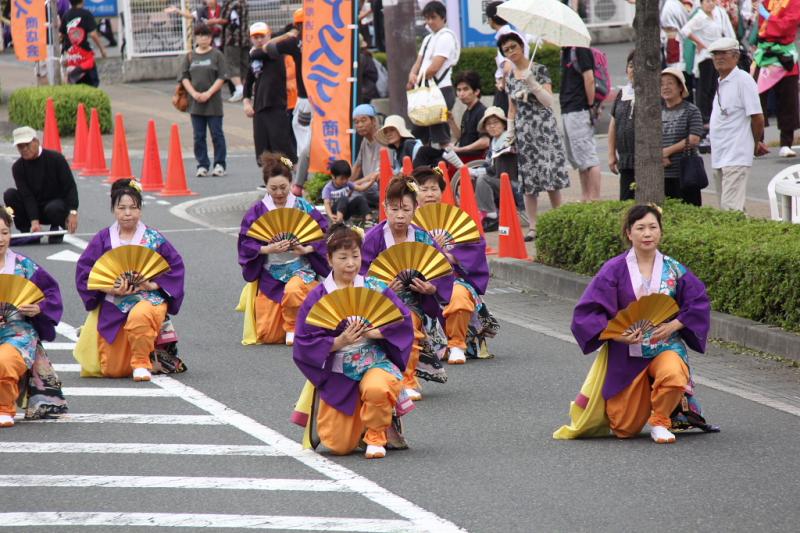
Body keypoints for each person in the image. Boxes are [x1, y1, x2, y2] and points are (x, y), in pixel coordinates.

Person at [562, 204, 714, 444]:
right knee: (624, 428)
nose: (647, 233)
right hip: (627, 353)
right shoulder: (613, 270)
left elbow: (698, 302)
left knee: (674, 374)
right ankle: (653, 397)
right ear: (628, 233)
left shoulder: (674, 269)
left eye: (653, 227)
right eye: (640, 228)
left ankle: (661, 419)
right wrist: (617, 334)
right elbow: (587, 312)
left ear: (660, 232)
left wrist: (676, 325)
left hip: (665, 345)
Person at [293, 224, 414, 458]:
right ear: (329, 259)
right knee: (339, 445)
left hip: (374, 360)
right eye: (343, 257)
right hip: (339, 369)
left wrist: (376, 332)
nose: (351, 263)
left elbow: (402, 321)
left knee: (377, 388)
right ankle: (365, 418)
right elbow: (304, 342)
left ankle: (377, 434)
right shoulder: (317, 297)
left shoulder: (376, 288)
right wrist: (339, 341)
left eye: (355, 256)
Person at [75, 180, 185, 382]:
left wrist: (152, 284)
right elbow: (85, 272)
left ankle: (141, 362)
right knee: (113, 370)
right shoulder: (103, 239)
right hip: (114, 302)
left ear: (140, 211)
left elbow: (175, 267)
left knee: (140, 315)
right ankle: (149, 354)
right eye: (122, 208)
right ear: (114, 211)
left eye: (133, 208)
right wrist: (110, 288)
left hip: (148, 298)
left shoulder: (153, 238)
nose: (127, 213)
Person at [360, 176, 455, 401]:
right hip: (379, 302)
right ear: (384, 208)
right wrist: (380, 286)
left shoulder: (423, 238)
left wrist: (431, 288)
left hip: (414, 301)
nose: (400, 215)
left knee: (408, 324)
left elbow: (442, 271)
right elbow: (360, 273)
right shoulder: (374, 238)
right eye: (394, 209)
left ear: (416, 209)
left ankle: (408, 379)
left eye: (406, 209)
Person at [236, 153, 330, 346]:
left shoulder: (302, 207)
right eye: (273, 188)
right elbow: (245, 242)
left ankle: (295, 327)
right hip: (271, 273)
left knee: (294, 290)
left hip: (301, 269)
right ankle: (294, 325)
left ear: (291, 183)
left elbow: (323, 234)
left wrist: (306, 249)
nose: (279, 193)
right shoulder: (257, 211)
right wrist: (267, 248)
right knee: (268, 335)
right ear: (266, 186)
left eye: (283, 187)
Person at [413, 167, 495, 365]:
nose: (430, 194)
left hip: (451, 278)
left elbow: (474, 251)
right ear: (415, 193)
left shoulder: (456, 219)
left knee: (458, 294)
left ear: (442, 192)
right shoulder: (407, 221)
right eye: (424, 189)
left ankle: (457, 344)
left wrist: (447, 254)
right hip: (418, 281)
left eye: (434, 189)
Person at [0, 206, 67, 427]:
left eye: (4, 232)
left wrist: (39, 308)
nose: (1, 239)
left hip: (18, 333)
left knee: (4, 360)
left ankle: (4, 408)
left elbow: (51, 295)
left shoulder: (24, 266)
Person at [502, 32, 569, 242]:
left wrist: (532, 83)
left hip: (544, 130)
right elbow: (511, 108)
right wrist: (510, 132)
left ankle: (560, 222)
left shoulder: (539, 69)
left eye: (513, 47)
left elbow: (548, 101)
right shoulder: (510, 76)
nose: (511, 52)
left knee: (550, 178)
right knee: (528, 182)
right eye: (506, 50)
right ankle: (533, 227)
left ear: (522, 46)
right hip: (525, 133)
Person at [708, 37, 768, 211]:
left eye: (723, 54)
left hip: (736, 155)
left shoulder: (743, 79)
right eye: (715, 54)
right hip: (720, 155)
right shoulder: (721, 81)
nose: (718, 58)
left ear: (735, 57)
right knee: (730, 208)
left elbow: (757, 116)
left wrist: (754, 143)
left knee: (730, 209)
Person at [4, 127, 79, 244]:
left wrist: (73, 212)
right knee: (10, 194)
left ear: (36, 141)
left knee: (55, 206)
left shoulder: (56, 159)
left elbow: (70, 187)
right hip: (33, 209)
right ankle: (26, 231)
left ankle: (57, 227)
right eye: (20, 146)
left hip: (54, 207)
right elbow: (27, 196)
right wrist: (34, 221)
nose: (24, 149)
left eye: (27, 145)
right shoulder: (18, 167)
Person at [265, 9, 311, 194]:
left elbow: (269, 48)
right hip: (327, 98)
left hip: (305, 99)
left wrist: (288, 34)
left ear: (297, 25)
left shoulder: (295, 41)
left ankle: (303, 178)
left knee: (303, 136)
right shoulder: (325, 38)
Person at [406, 1, 460, 150]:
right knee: (419, 138)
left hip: (441, 92)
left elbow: (434, 68)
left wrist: (416, 79)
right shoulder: (428, 38)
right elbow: (418, 62)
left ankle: (461, 170)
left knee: (442, 139)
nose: (430, 21)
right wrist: (412, 75)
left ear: (443, 17)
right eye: (427, 18)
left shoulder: (447, 36)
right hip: (427, 92)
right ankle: (427, 170)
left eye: (433, 17)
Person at [243, 22, 297, 167]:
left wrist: (283, 37)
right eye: (255, 37)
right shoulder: (254, 58)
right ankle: (270, 177)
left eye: (262, 36)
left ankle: (291, 171)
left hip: (277, 106)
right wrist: (246, 102)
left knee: (282, 148)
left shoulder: (276, 52)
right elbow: (248, 83)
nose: (259, 40)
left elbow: (263, 51)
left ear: (269, 35)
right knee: (263, 148)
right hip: (259, 108)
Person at [753, 0, 800, 157]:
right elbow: (760, 28)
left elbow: (788, 25)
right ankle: (757, 142)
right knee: (755, 100)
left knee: (788, 101)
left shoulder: (795, 2)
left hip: (784, 54)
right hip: (765, 55)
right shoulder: (767, 1)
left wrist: (767, 16)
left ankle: (786, 143)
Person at [180, 23, 228, 178]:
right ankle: (202, 164)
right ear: (196, 37)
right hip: (195, 104)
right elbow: (184, 77)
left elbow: (222, 77)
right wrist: (193, 93)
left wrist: (208, 93)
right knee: (198, 136)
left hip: (213, 103)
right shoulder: (190, 56)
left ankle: (219, 163)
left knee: (217, 134)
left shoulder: (217, 55)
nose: (203, 38)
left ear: (211, 38)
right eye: (200, 35)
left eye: (206, 35)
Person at [680, 0, 736, 129]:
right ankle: (703, 118)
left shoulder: (717, 15)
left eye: (712, 1)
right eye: (707, 1)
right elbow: (685, 30)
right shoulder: (700, 16)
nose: (710, 4)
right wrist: (699, 43)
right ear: (701, 3)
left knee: (713, 87)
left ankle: (712, 115)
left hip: (716, 56)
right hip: (705, 56)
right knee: (703, 89)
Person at [560, 44, 601, 202]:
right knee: (579, 157)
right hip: (569, 109)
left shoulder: (580, 49)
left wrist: (591, 105)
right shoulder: (567, 50)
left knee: (588, 157)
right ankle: (586, 196)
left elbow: (589, 78)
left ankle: (595, 199)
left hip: (579, 108)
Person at [661, 68, 705, 206]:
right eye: (661, 84)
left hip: (686, 174)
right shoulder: (655, 112)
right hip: (662, 174)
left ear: (680, 87)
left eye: (670, 83)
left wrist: (666, 152)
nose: (665, 87)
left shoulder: (691, 110)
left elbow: (694, 139)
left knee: (691, 214)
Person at [472, 106, 519, 233]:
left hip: (513, 186)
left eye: (495, 122)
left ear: (504, 124)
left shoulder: (508, 139)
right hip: (499, 182)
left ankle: (492, 216)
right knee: (474, 177)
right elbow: (488, 164)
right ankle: (483, 212)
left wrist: (477, 171)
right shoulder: (494, 141)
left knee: (482, 178)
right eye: (488, 124)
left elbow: (494, 169)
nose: (492, 126)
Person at [485, 1, 532, 115]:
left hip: (508, 91)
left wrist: (503, 84)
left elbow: (507, 68)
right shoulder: (514, 34)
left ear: (491, 19)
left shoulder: (505, 37)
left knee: (504, 125)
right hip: (519, 86)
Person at [608, 51, 636, 201]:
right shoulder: (622, 93)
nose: (634, 70)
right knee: (626, 202)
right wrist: (611, 154)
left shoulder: (653, 93)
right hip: (625, 160)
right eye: (631, 66)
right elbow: (613, 125)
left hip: (646, 160)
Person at [59, 0, 107, 87]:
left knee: (75, 84)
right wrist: (102, 49)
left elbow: (61, 35)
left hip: (72, 56)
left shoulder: (66, 15)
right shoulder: (86, 14)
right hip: (85, 55)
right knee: (92, 83)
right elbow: (93, 34)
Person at [450, 71, 489, 161]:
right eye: (459, 90)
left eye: (465, 89)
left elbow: (485, 141)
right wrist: (451, 122)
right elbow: (461, 137)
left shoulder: (482, 112)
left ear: (476, 91)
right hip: (463, 155)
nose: (461, 94)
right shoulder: (467, 112)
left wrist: (460, 149)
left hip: (473, 158)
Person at [322, 160, 375, 226]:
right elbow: (327, 203)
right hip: (335, 213)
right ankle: (339, 222)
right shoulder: (328, 188)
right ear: (333, 176)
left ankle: (368, 220)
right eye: (342, 178)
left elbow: (361, 188)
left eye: (346, 178)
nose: (344, 181)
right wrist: (330, 215)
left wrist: (371, 182)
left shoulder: (347, 183)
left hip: (346, 211)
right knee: (343, 198)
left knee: (360, 199)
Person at [350, 104, 383, 208]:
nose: (359, 125)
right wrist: (342, 185)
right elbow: (357, 167)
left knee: (359, 193)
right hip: (366, 186)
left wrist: (351, 185)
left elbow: (378, 173)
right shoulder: (365, 140)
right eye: (356, 122)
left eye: (363, 120)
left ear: (373, 121)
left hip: (377, 186)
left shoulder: (384, 138)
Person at [220, 0, 249, 102]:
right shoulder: (244, 3)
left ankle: (239, 89)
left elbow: (225, 20)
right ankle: (246, 91)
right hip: (245, 39)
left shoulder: (230, 3)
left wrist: (212, 21)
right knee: (244, 66)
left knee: (231, 65)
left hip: (232, 39)